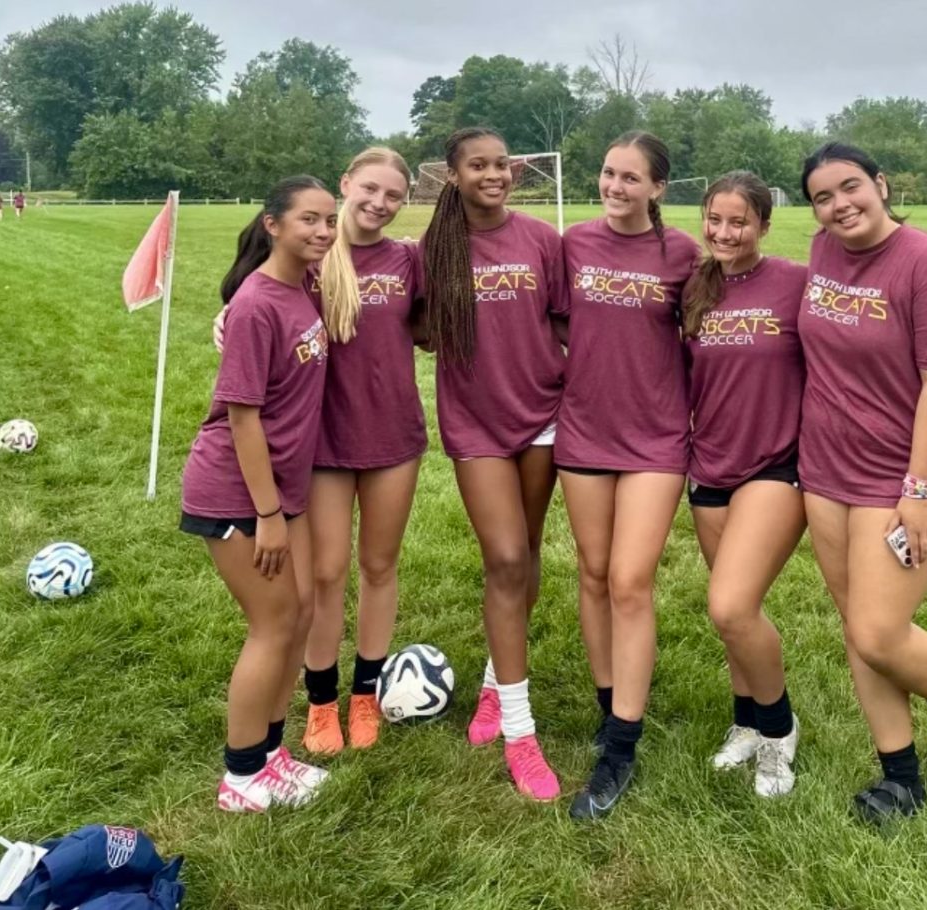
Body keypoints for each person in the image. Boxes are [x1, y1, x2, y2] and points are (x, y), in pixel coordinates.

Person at [214, 149, 426, 755]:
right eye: (370, 189)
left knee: (379, 567)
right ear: (346, 186)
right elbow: (258, 301)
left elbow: (436, 323)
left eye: (393, 195)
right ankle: (322, 701)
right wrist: (223, 315)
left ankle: (366, 694)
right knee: (327, 574)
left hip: (394, 438)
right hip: (325, 444)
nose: (379, 203)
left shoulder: (408, 259)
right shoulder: (312, 258)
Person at [798, 142, 927, 826]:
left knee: (879, 632)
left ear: (881, 183)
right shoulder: (822, 253)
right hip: (825, 470)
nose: (841, 204)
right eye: (823, 196)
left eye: (851, 187)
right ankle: (900, 777)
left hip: (903, 477)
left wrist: (918, 486)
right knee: (857, 627)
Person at [553, 131, 700, 819]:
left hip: (655, 439)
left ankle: (620, 749)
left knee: (630, 582)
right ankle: (608, 703)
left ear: (658, 189)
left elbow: (730, 327)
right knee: (592, 572)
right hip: (584, 430)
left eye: (630, 178)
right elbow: (544, 323)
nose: (614, 187)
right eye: (608, 174)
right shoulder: (574, 244)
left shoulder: (682, 254)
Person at [180, 176, 336, 812]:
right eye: (309, 220)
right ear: (273, 224)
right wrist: (268, 515)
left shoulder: (304, 286)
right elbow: (242, 418)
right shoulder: (256, 304)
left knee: (298, 614)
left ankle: (272, 756)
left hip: (282, 489)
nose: (323, 231)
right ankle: (240, 776)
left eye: (330, 220)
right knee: (271, 625)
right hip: (237, 491)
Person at [421, 127, 567, 801]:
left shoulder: (541, 239)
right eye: (478, 165)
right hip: (475, 423)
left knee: (527, 552)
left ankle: (492, 679)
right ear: (453, 176)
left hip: (542, 415)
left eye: (502, 163)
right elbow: (389, 305)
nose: (495, 174)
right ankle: (519, 728)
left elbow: (568, 323)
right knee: (505, 557)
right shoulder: (433, 251)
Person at [681, 171, 807, 798]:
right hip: (709, 466)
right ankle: (747, 724)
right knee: (737, 617)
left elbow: (861, 335)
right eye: (715, 219)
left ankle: (780, 733)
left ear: (763, 225)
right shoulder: (693, 288)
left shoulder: (794, 282)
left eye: (739, 221)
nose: (724, 232)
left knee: (729, 604)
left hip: (777, 467)